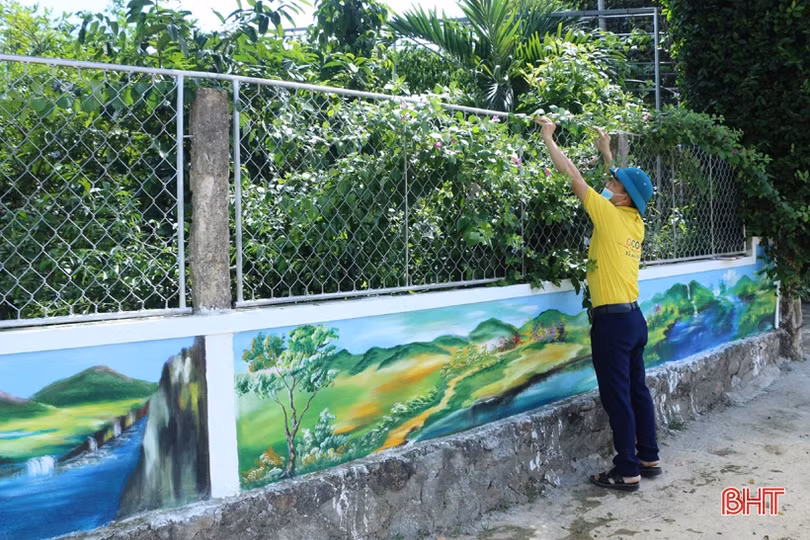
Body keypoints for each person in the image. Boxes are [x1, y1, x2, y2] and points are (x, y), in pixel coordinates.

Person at [534, 116, 660, 492]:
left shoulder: (607, 215)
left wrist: (549, 139)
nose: (607, 185)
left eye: (612, 183)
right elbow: (624, 189)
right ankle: (648, 456)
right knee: (637, 390)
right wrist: (607, 154)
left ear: (620, 197)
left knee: (617, 396)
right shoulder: (634, 220)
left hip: (612, 324)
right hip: (634, 319)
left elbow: (572, 174)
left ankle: (627, 470)